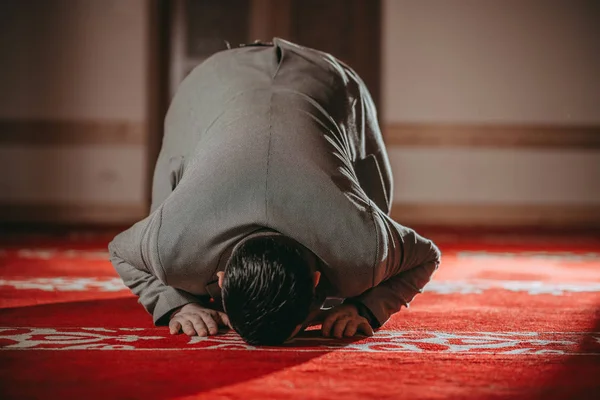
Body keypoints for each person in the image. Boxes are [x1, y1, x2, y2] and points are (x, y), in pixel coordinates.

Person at [109, 38, 441, 346]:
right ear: (222, 281)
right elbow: (120, 251)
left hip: (323, 81)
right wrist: (176, 304)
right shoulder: (175, 243)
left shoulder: (361, 247)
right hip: (216, 83)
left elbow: (426, 256)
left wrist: (364, 307)